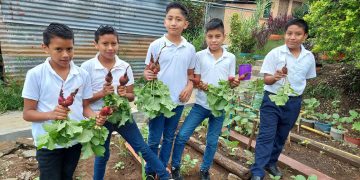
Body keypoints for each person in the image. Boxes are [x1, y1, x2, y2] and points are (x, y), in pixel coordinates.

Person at [81, 25, 171, 180]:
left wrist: (125, 94)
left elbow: (131, 96)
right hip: (100, 118)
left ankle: (164, 175)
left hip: (123, 116)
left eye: (114, 43)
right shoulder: (86, 68)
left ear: (118, 44)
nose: (110, 48)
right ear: (95, 44)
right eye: (105, 44)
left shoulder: (125, 66)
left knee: (142, 148)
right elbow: (83, 101)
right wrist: (102, 93)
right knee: (102, 155)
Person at [22, 23, 106, 180]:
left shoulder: (82, 75)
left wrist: (96, 117)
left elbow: (85, 107)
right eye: (58, 49)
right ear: (45, 48)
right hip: (49, 142)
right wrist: (51, 114)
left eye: (70, 48)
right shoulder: (35, 74)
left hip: (74, 141)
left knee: (67, 176)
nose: (66, 54)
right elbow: (27, 113)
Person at [170, 18, 240, 180]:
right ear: (205, 37)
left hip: (219, 108)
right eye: (210, 36)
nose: (214, 40)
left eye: (217, 36)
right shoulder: (199, 56)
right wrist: (202, 85)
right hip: (200, 105)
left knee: (212, 142)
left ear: (224, 36)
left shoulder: (230, 57)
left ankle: (204, 170)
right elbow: (196, 80)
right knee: (181, 137)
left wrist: (234, 83)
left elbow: (229, 83)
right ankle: (175, 167)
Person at [250, 19, 316, 180]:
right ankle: (257, 172)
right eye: (289, 33)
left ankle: (271, 163)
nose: (292, 37)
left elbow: (306, 78)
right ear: (284, 35)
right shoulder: (275, 53)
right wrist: (275, 77)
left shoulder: (309, 57)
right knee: (266, 135)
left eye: (297, 34)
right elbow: (266, 80)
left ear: (305, 36)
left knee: (281, 135)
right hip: (272, 100)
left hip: (293, 102)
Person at [143, 2, 196, 179]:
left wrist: (189, 86)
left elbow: (191, 74)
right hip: (158, 102)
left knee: (168, 138)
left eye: (178, 19)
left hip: (177, 101)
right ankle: (151, 171)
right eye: (170, 18)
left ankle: (163, 168)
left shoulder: (190, 49)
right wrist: (148, 75)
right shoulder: (156, 45)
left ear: (185, 24)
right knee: (153, 139)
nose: (174, 23)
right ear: (165, 21)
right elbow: (147, 70)